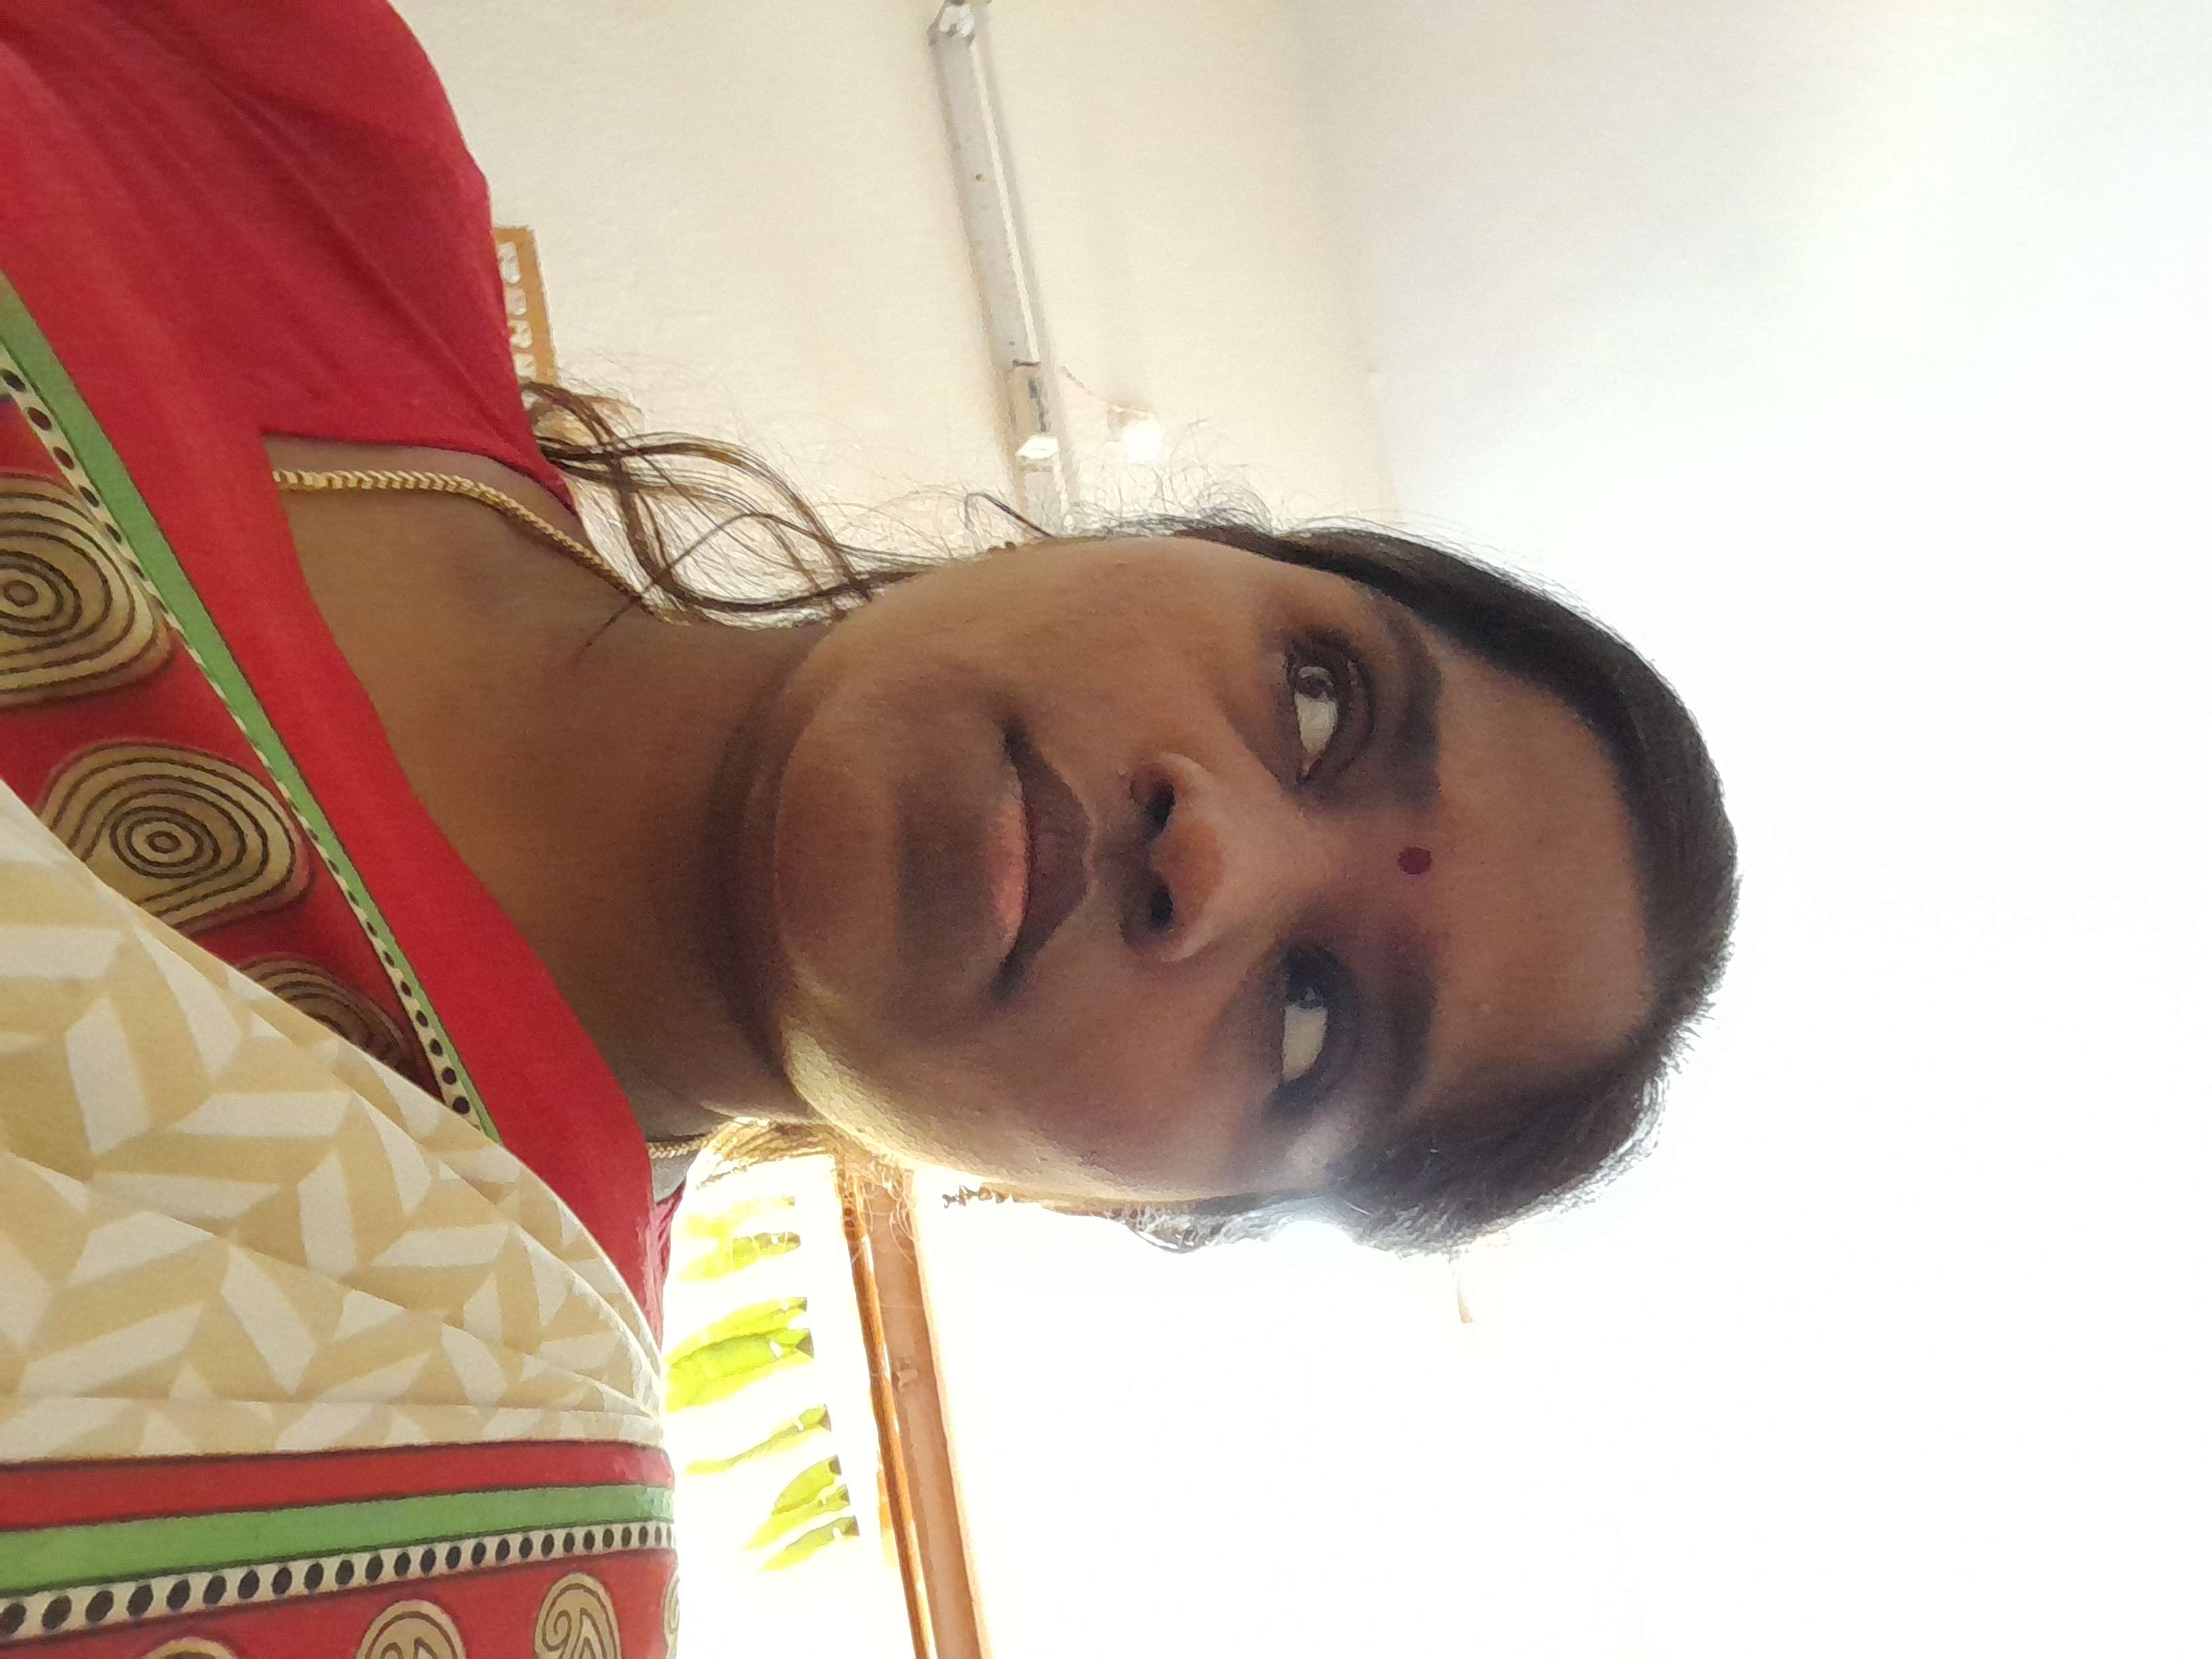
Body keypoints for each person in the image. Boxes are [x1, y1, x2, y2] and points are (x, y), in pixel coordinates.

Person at [0, 1, 1735, 1652]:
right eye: (1321, 703)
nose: (1214, 860)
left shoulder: (443, 1519)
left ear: (1128, 1206)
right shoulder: (319, 137)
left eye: (1310, 1020)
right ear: (1176, 542)